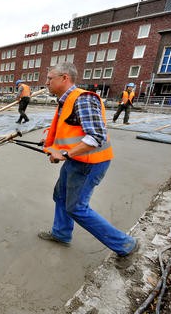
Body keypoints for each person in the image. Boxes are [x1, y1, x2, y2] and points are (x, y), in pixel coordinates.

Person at [38, 62, 138, 257]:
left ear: (64, 78)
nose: (46, 82)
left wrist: (64, 154)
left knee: (76, 207)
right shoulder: (66, 100)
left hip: (89, 163)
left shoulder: (82, 99)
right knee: (60, 196)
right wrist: (53, 144)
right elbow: (73, 129)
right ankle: (61, 234)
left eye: (50, 79)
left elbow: (95, 137)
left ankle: (126, 245)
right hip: (77, 161)